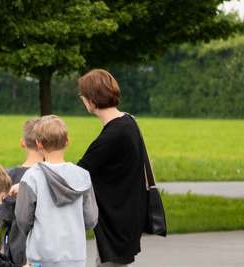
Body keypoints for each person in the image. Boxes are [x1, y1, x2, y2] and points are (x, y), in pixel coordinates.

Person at [75, 69, 147, 267]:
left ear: (91, 100)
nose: (83, 100)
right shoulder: (128, 122)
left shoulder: (112, 135)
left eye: (82, 96)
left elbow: (77, 173)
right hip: (126, 217)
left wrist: (31, 184)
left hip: (115, 223)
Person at [15, 115, 97, 267]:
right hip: (75, 257)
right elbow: (91, 218)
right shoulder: (83, 176)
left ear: (39, 144)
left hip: (40, 257)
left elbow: (23, 219)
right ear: (67, 141)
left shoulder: (31, 177)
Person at [0, 118, 41, 265]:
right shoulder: (53, 176)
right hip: (48, 253)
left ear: (23, 143)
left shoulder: (11, 177)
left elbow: (1, 220)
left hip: (18, 254)